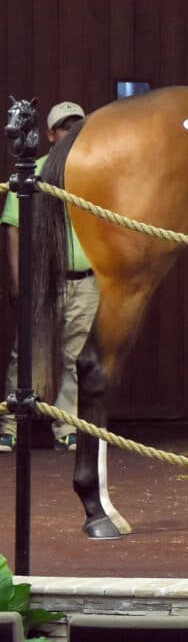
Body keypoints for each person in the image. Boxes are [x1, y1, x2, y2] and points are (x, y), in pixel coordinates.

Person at [0, 100, 96, 454]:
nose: (72, 133)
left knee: (77, 357)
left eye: (78, 127)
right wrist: (17, 281)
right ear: (51, 134)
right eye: (65, 127)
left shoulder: (95, 173)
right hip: (43, 281)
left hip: (85, 280)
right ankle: (10, 427)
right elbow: (12, 227)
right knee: (25, 355)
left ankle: (67, 427)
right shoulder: (33, 172)